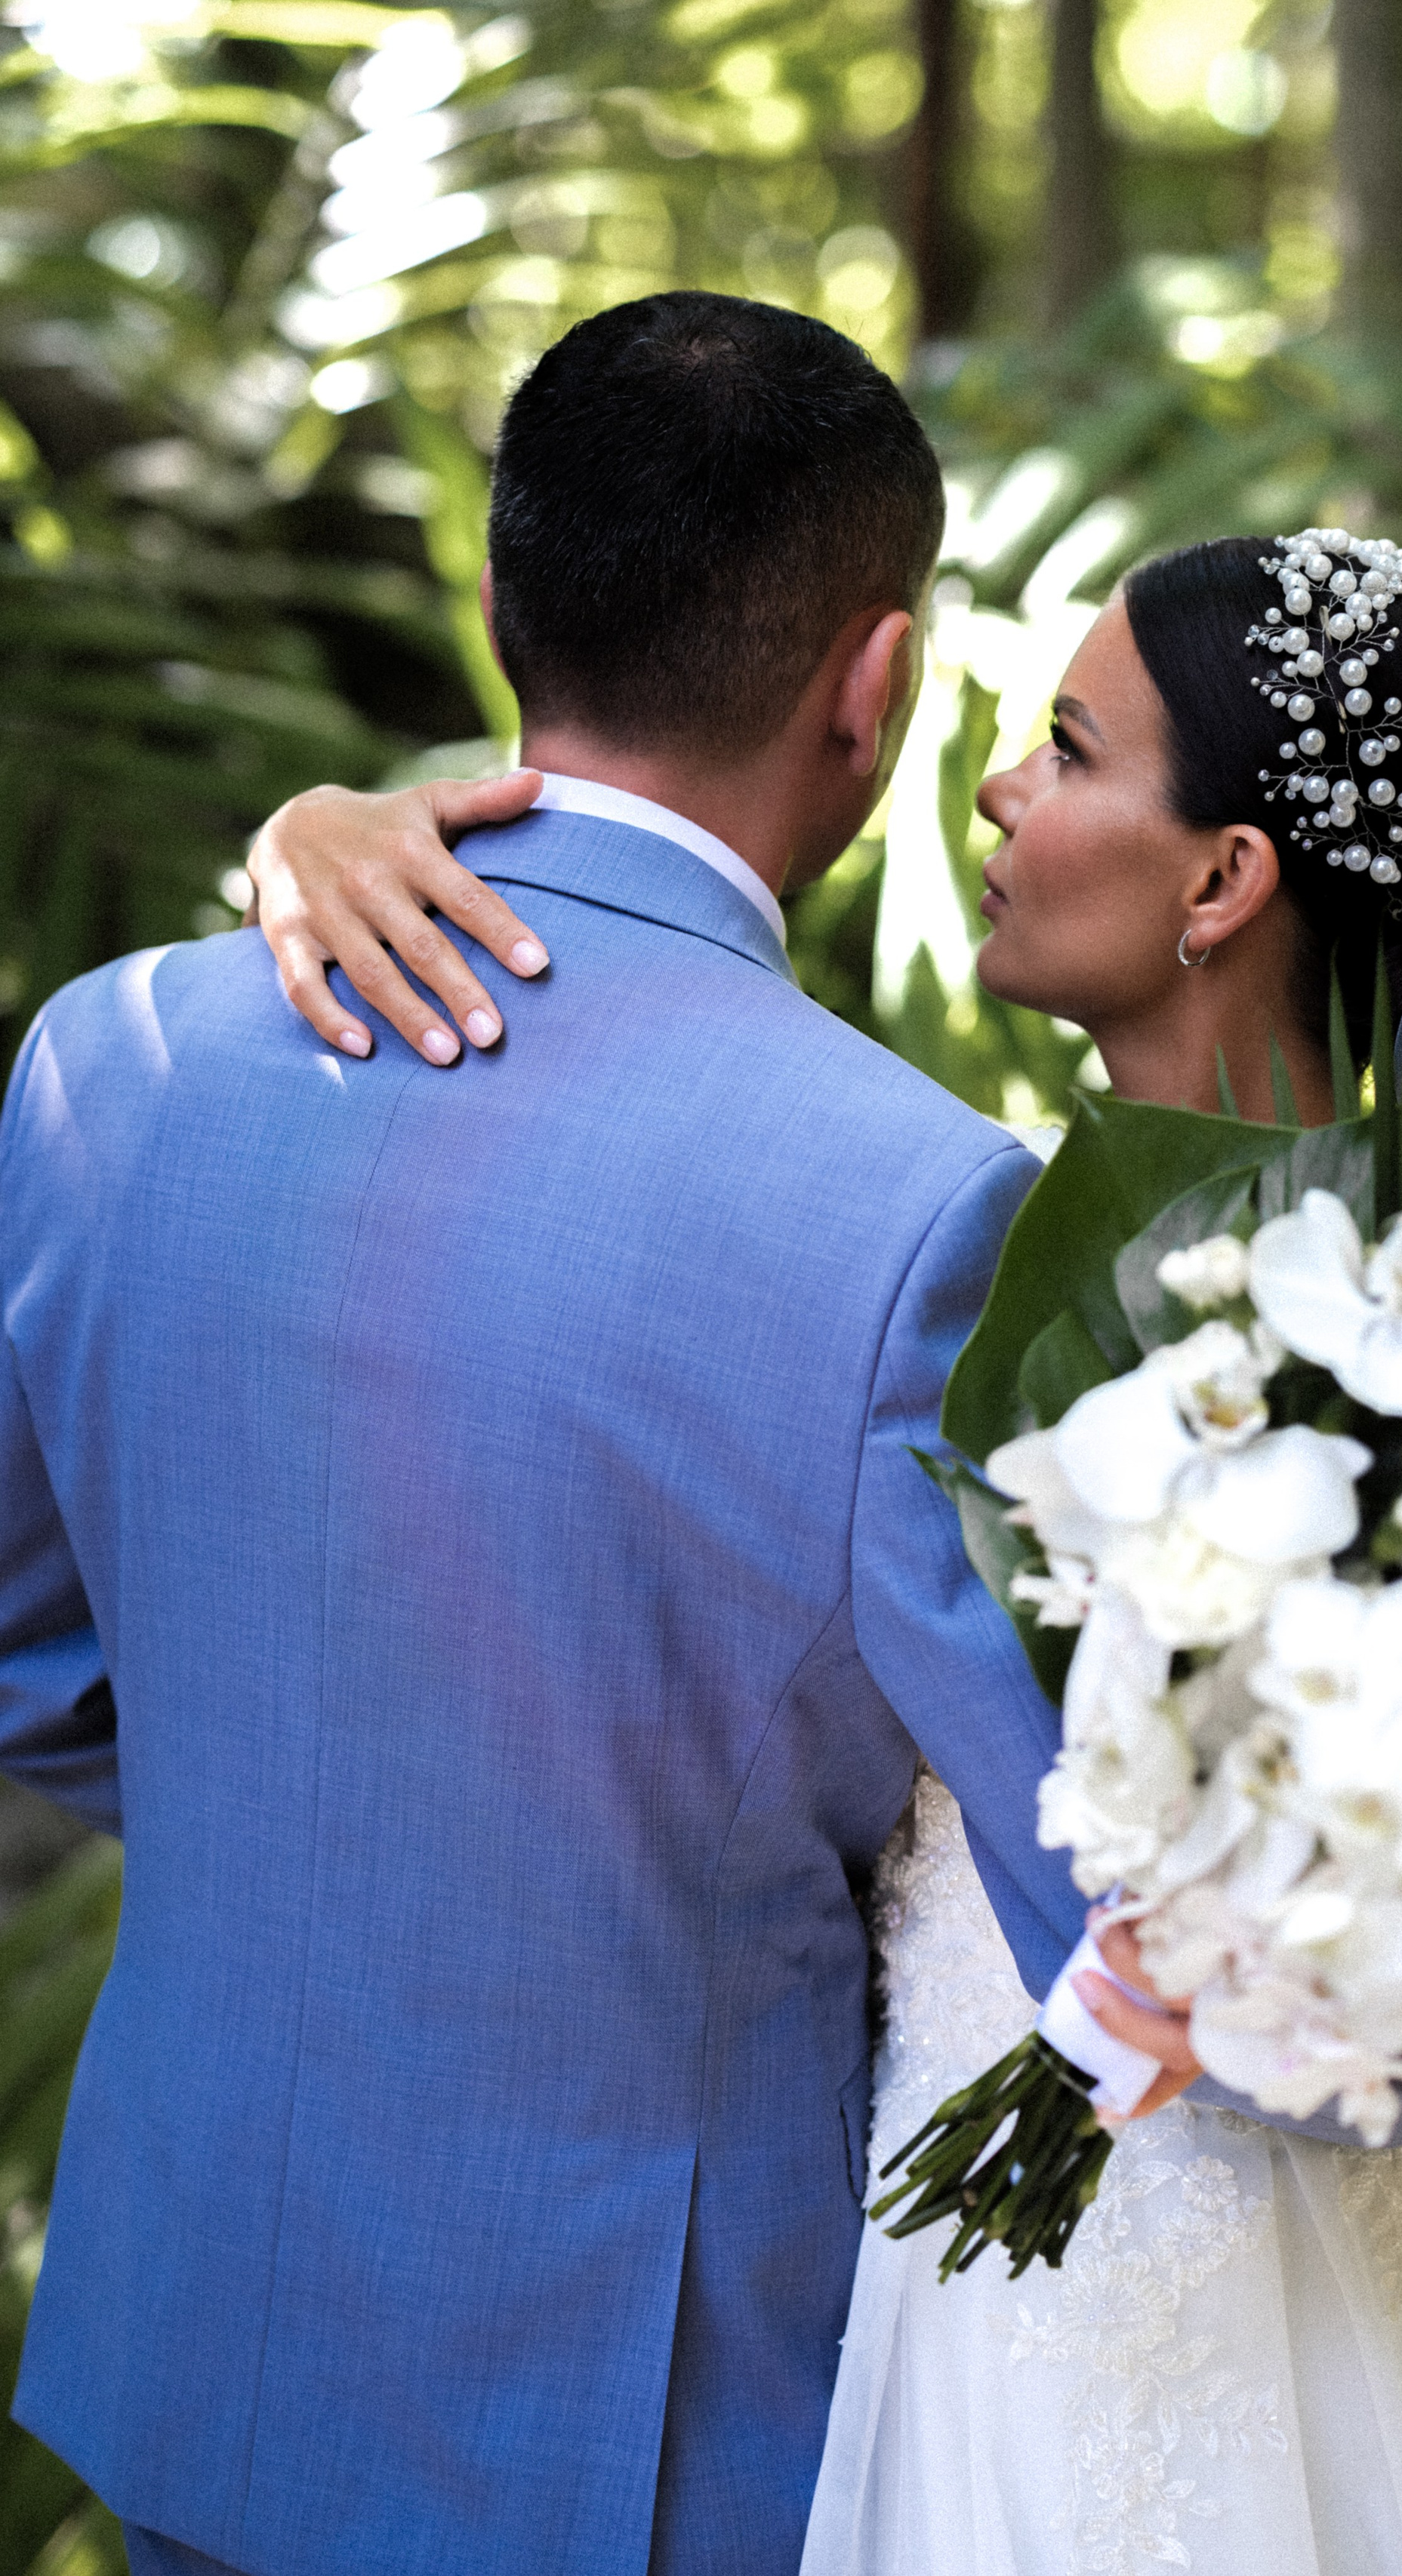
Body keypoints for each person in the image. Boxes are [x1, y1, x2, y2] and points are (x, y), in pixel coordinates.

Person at [245, 514, 1402, 2572]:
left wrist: (1290, 1875)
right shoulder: (933, 1246)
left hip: (1289, 2302)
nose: (995, 784)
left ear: (1222, 878)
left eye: (1063, 744)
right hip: (898, 2296)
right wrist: (327, 828)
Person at [0, 290, 1197, 2576]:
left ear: (495, 598)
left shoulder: (107, 1059)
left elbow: (34, 1661)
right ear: (880, 678)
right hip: (627, 2430)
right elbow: (1096, 1889)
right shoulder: (917, 1202)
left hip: (209, 2340)